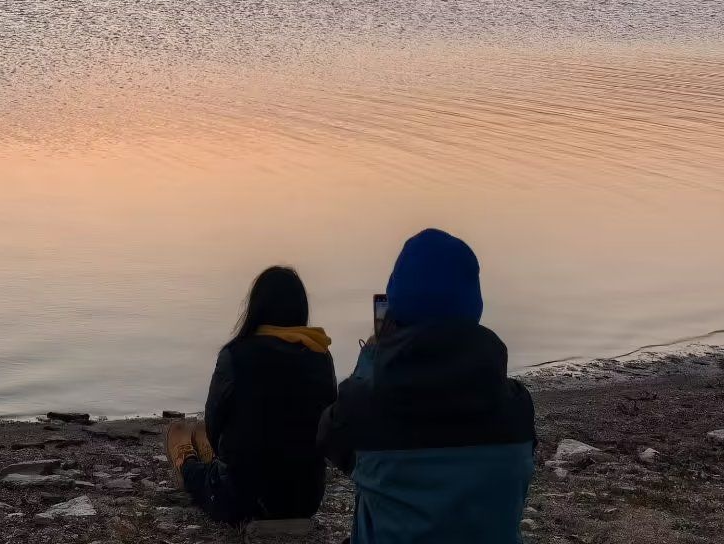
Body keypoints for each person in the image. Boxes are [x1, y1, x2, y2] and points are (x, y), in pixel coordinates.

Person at [319, 229, 535, 544]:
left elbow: (328, 438)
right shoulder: (517, 408)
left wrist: (372, 358)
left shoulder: (364, 407)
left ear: (396, 306)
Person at [166, 265, 339, 524]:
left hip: (244, 499)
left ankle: (187, 461)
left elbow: (214, 423)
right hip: (305, 499)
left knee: (179, 431)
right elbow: (328, 427)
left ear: (255, 308)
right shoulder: (321, 355)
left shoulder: (235, 355)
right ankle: (212, 461)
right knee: (208, 436)